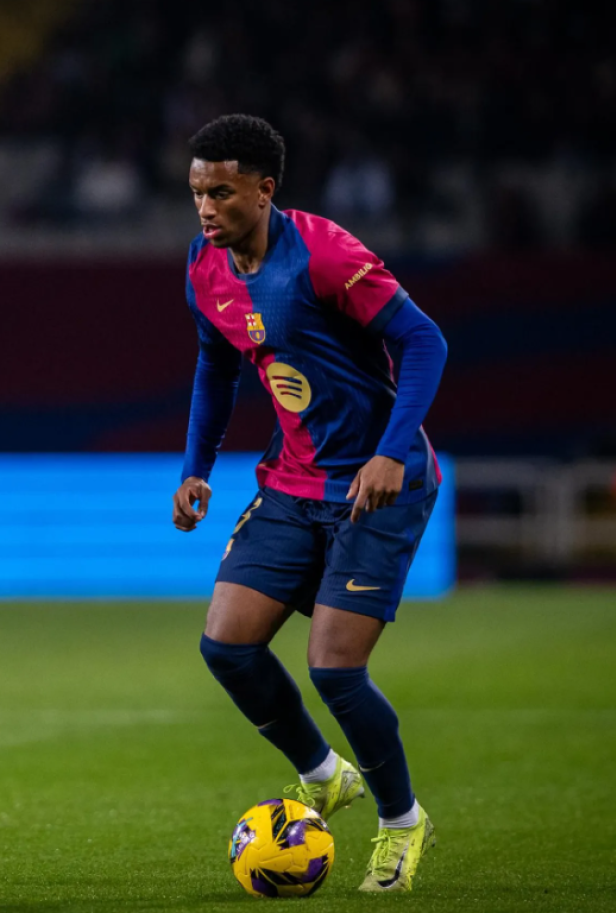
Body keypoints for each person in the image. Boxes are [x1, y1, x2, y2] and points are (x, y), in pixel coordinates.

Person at [171, 115, 447, 892]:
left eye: (220, 192)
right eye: (196, 192)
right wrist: (197, 467)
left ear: (265, 190)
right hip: (292, 483)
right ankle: (324, 775)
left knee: (334, 670)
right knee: (226, 646)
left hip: (377, 486)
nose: (205, 208)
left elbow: (425, 342)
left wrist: (392, 451)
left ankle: (402, 824)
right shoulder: (204, 265)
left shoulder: (324, 254)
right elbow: (214, 366)